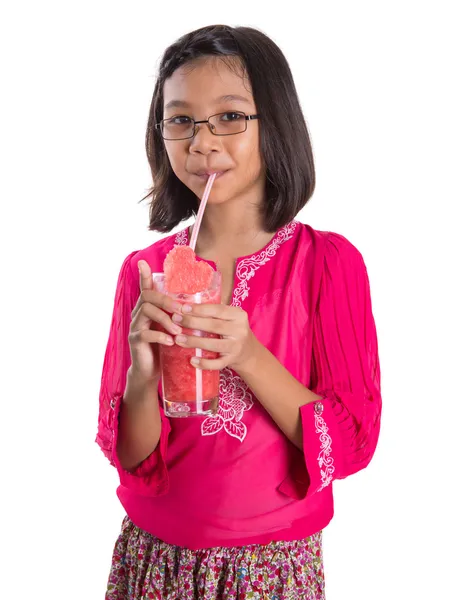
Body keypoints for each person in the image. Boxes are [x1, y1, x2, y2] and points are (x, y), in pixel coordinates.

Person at [97, 24, 382, 600]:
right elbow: (131, 455)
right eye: (180, 120)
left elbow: (351, 442)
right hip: (157, 561)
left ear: (274, 123)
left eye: (230, 117)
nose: (203, 141)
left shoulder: (326, 264)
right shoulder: (145, 273)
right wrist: (142, 378)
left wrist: (249, 356)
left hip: (272, 566)